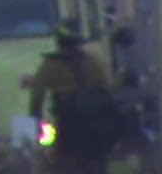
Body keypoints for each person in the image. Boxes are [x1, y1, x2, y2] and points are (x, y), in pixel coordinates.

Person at [28, 18, 118, 174]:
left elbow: (37, 96)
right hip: (95, 126)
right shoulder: (92, 62)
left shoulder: (51, 65)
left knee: (62, 163)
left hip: (68, 126)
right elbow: (107, 90)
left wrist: (35, 118)